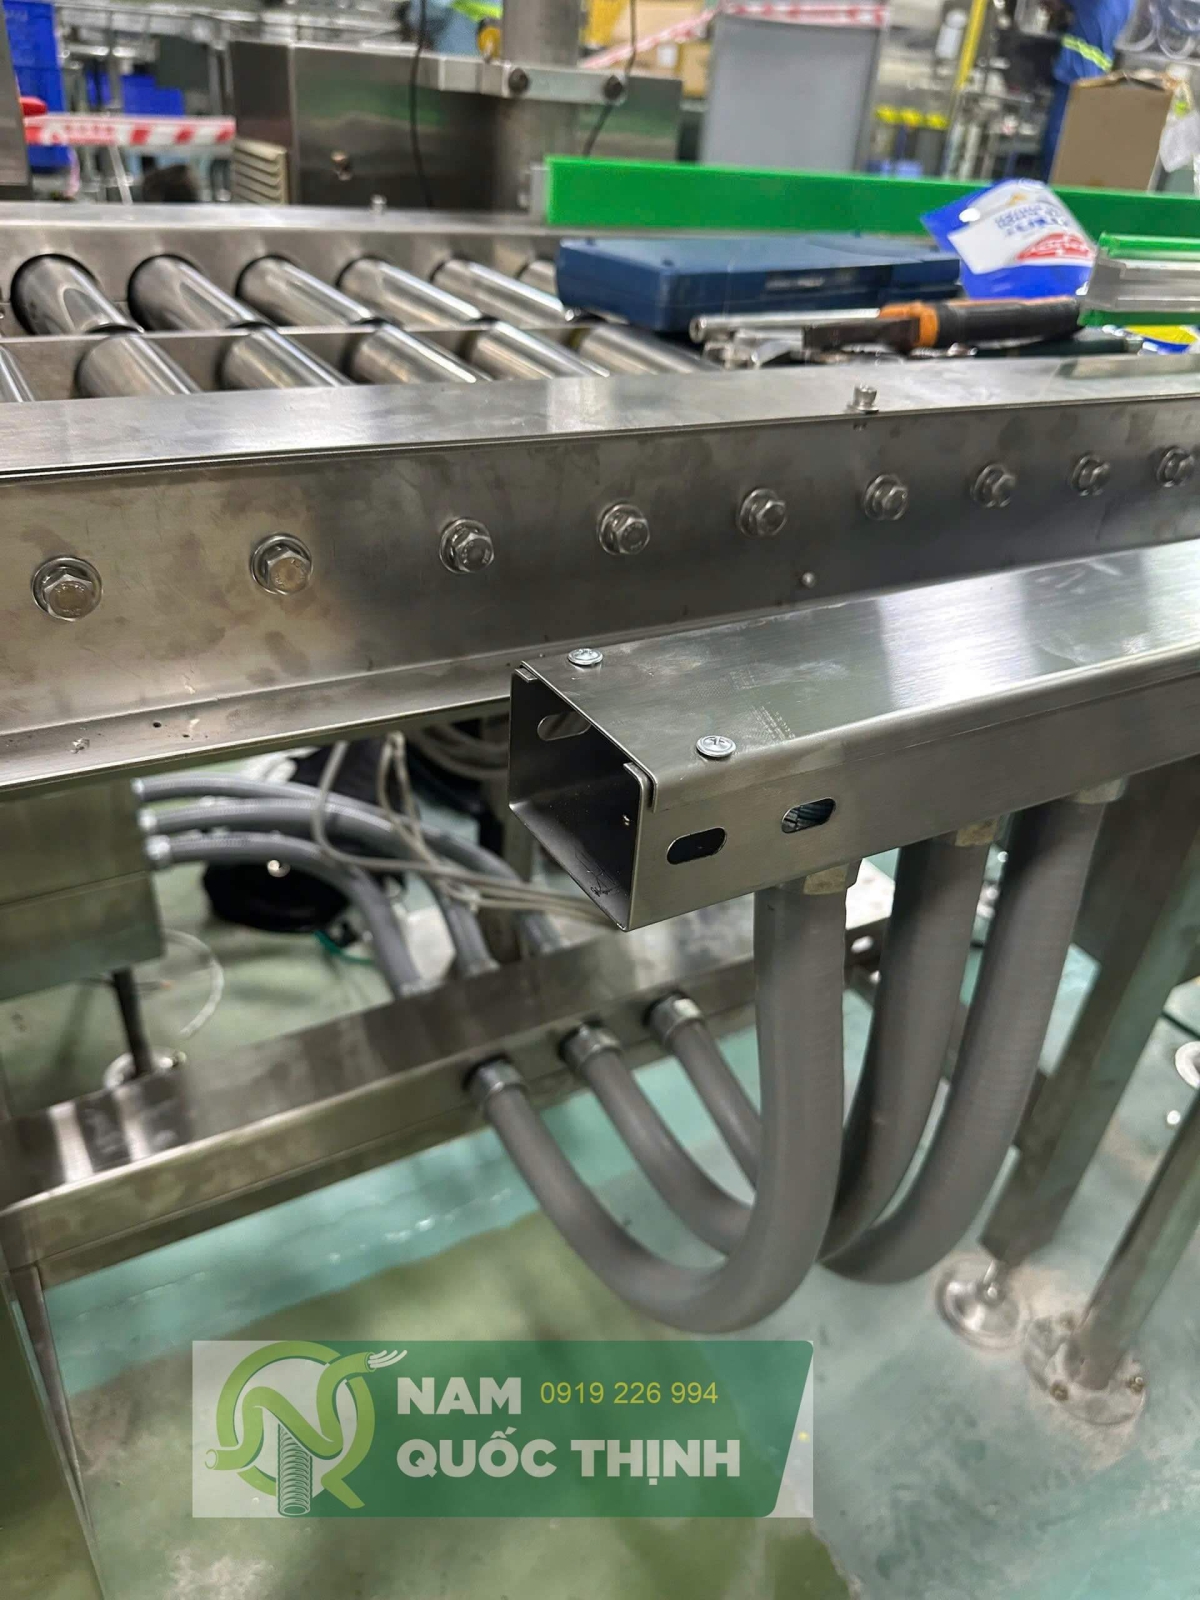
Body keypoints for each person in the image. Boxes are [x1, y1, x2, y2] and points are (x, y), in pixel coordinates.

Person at [1041, 0, 1137, 175]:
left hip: (1076, 71)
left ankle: (1050, 182)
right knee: (1074, 139)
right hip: (1096, 75)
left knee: (1057, 138)